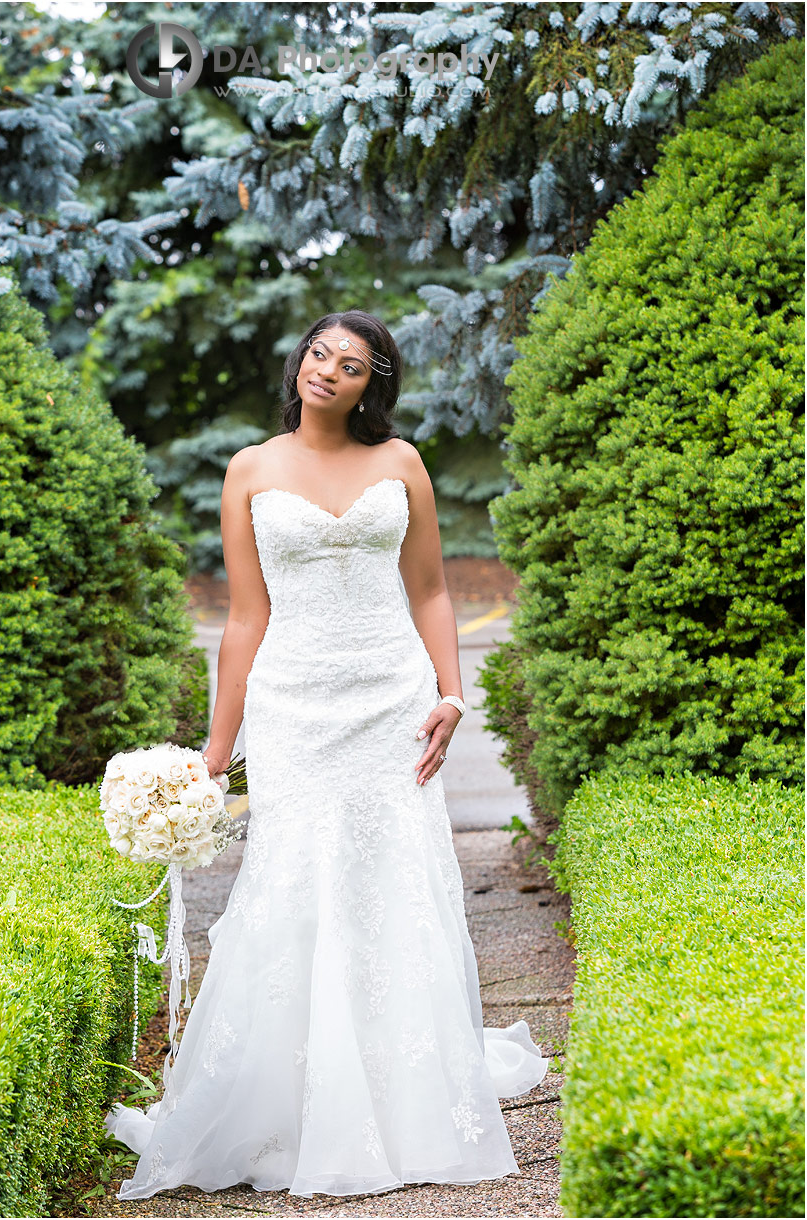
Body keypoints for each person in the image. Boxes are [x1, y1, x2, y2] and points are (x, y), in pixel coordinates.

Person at [104, 309, 549, 1201]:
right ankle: (292, 1097)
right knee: (296, 881)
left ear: (370, 385)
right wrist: (217, 751)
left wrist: (448, 694)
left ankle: (405, 1092)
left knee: (395, 875)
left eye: (351, 364)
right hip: (295, 705)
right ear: (299, 362)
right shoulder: (251, 469)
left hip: (390, 698)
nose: (328, 371)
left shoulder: (400, 465)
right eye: (319, 353)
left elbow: (429, 591)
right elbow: (242, 617)